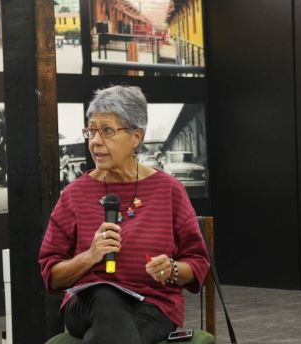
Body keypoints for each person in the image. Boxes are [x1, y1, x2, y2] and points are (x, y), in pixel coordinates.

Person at [39, 85, 210, 344]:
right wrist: (90, 256)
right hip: (86, 306)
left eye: (106, 131)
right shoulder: (74, 194)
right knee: (105, 293)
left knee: (98, 339)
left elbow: (196, 262)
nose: (94, 141)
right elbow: (51, 274)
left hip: (153, 306)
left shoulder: (169, 190)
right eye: (91, 130)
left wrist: (172, 269)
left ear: (136, 137)